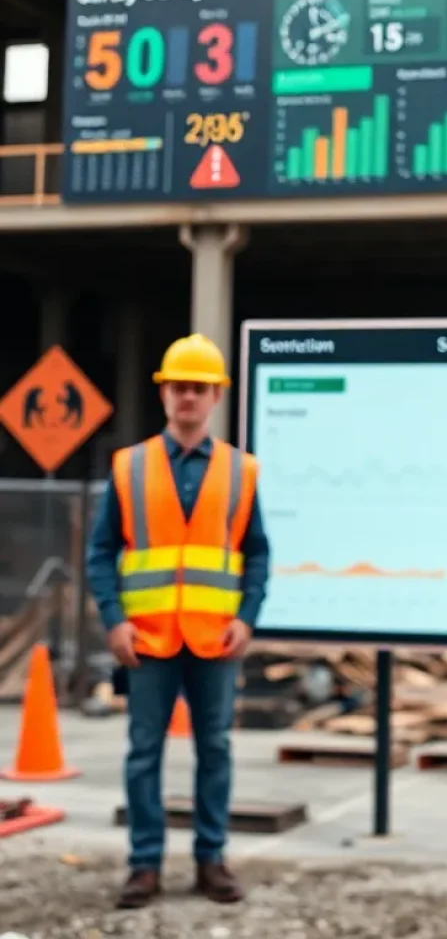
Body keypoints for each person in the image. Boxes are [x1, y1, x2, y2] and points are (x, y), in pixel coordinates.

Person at [87, 333, 270, 910]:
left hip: (215, 638)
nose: (187, 397)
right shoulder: (129, 466)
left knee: (214, 748)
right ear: (164, 393)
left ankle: (210, 859)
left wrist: (247, 615)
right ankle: (144, 865)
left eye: (198, 388)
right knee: (144, 752)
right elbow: (100, 551)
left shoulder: (241, 471)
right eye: (178, 387)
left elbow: (257, 550)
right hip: (148, 639)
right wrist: (113, 620)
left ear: (215, 396)